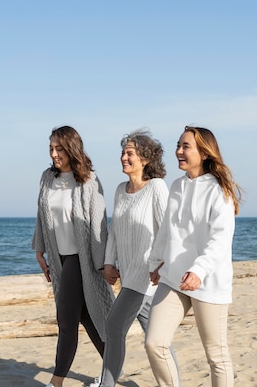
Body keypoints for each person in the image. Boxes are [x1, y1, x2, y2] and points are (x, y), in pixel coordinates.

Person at [145, 125, 242, 387]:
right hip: (173, 277)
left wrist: (199, 270)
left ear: (205, 152)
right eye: (178, 145)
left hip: (207, 281)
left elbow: (220, 239)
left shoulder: (218, 190)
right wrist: (156, 262)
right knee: (155, 342)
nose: (178, 151)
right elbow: (166, 230)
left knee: (216, 355)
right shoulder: (176, 186)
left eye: (185, 146)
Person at [91, 129, 175, 387]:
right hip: (128, 275)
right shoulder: (120, 190)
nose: (124, 157)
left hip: (148, 276)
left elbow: (168, 230)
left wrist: (163, 264)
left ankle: (107, 384)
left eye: (130, 153)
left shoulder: (157, 188)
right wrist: (108, 262)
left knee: (114, 327)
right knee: (157, 341)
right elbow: (115, 231)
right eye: (123, 153)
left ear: (146, 159)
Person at [32, 125, 114, 387]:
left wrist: (103, 264)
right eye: (51, 148)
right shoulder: (47, 177)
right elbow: (41, 216)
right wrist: (39, 250)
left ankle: (56, 382)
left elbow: (99, 224)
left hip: (83, 259)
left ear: (71, 148)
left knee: (66, 319)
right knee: (87, 316)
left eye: (59, 148)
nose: (54, 154)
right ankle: (113, 367)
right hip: (60, 259)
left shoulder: (88, 179)